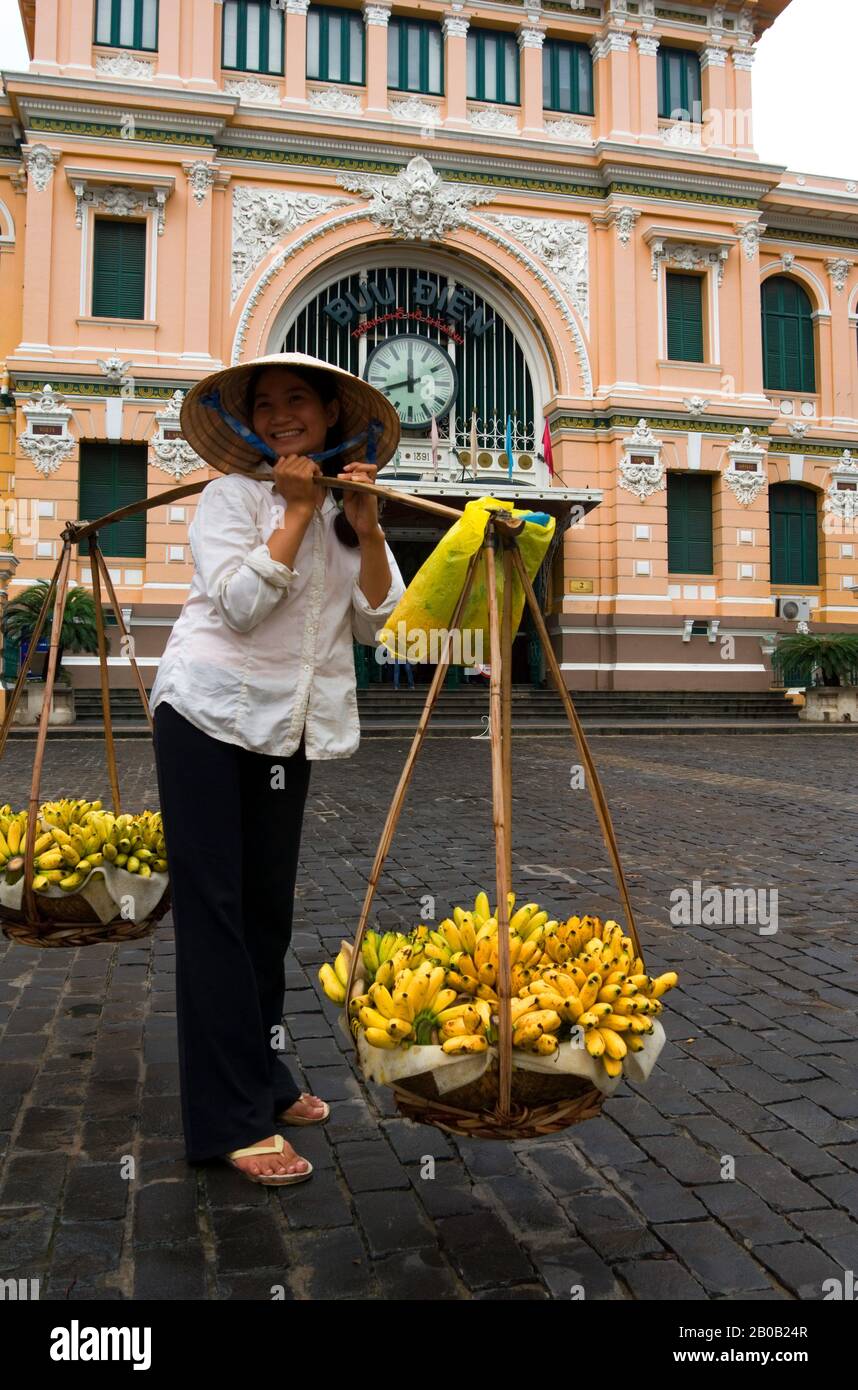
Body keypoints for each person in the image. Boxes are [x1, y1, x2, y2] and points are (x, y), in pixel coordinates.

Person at [148, 352, 404, 1186]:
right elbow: (240, 602)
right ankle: (227, 1119)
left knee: (266, 914)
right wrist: (290, 512)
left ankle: (263, 1075)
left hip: (284, 733)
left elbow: (380, 622)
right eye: (266, 404)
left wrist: (362, 526)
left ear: (334, 416)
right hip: (205, 714)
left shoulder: (345, 508)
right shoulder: (233, 497)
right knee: (216, 915)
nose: (281, 414)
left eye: (299, 401)